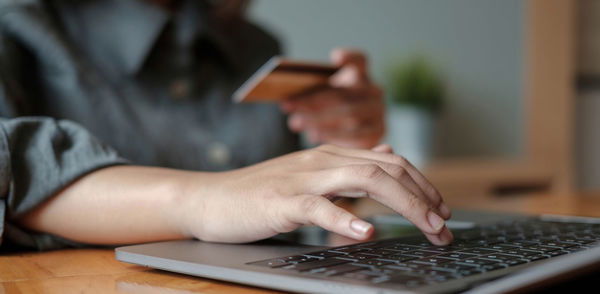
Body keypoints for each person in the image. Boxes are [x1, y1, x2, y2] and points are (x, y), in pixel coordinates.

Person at [0, 0, 453, 251]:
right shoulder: (17, 24)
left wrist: (344, 152)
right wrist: (204, 196)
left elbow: (283, 214)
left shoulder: (256, 46)